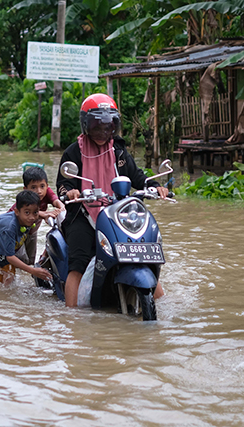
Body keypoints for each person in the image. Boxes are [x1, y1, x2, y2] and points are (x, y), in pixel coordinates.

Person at [56, 93, 168, 307]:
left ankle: (164, 307)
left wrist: (154, 186)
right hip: (83, 214)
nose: (102, 132)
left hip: (117, 214)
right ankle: (71, 317)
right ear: (85, 125)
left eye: (108, 127)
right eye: (97, 126)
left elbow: (137, 177)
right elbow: (64, 182)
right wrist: (71, 192)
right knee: (78, 262)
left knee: (142, 252)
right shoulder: (73, 152)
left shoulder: (119, 151)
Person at [0, 190, 53, 286]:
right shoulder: (9, 229)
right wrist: (32, 271)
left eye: (35, 212)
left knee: (8, 278)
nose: (32, 217)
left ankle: (0, 299)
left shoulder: (25, 219)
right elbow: (10, 257)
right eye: (27, 213)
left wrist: (44, 215)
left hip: (2, 249)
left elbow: (30, 213)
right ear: (16, 212)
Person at [7, 167, 65, 265]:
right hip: (16, 232)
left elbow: (58, 203)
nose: (39, 191)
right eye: (33, 187)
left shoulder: (46, 192)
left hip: (32, 231)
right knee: (22, 260)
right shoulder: (25, 198)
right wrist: (46, 214)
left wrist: (61, 209)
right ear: (25, 189)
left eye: (42, 186)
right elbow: (30, 213)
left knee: (31, 260)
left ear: (47, 186)